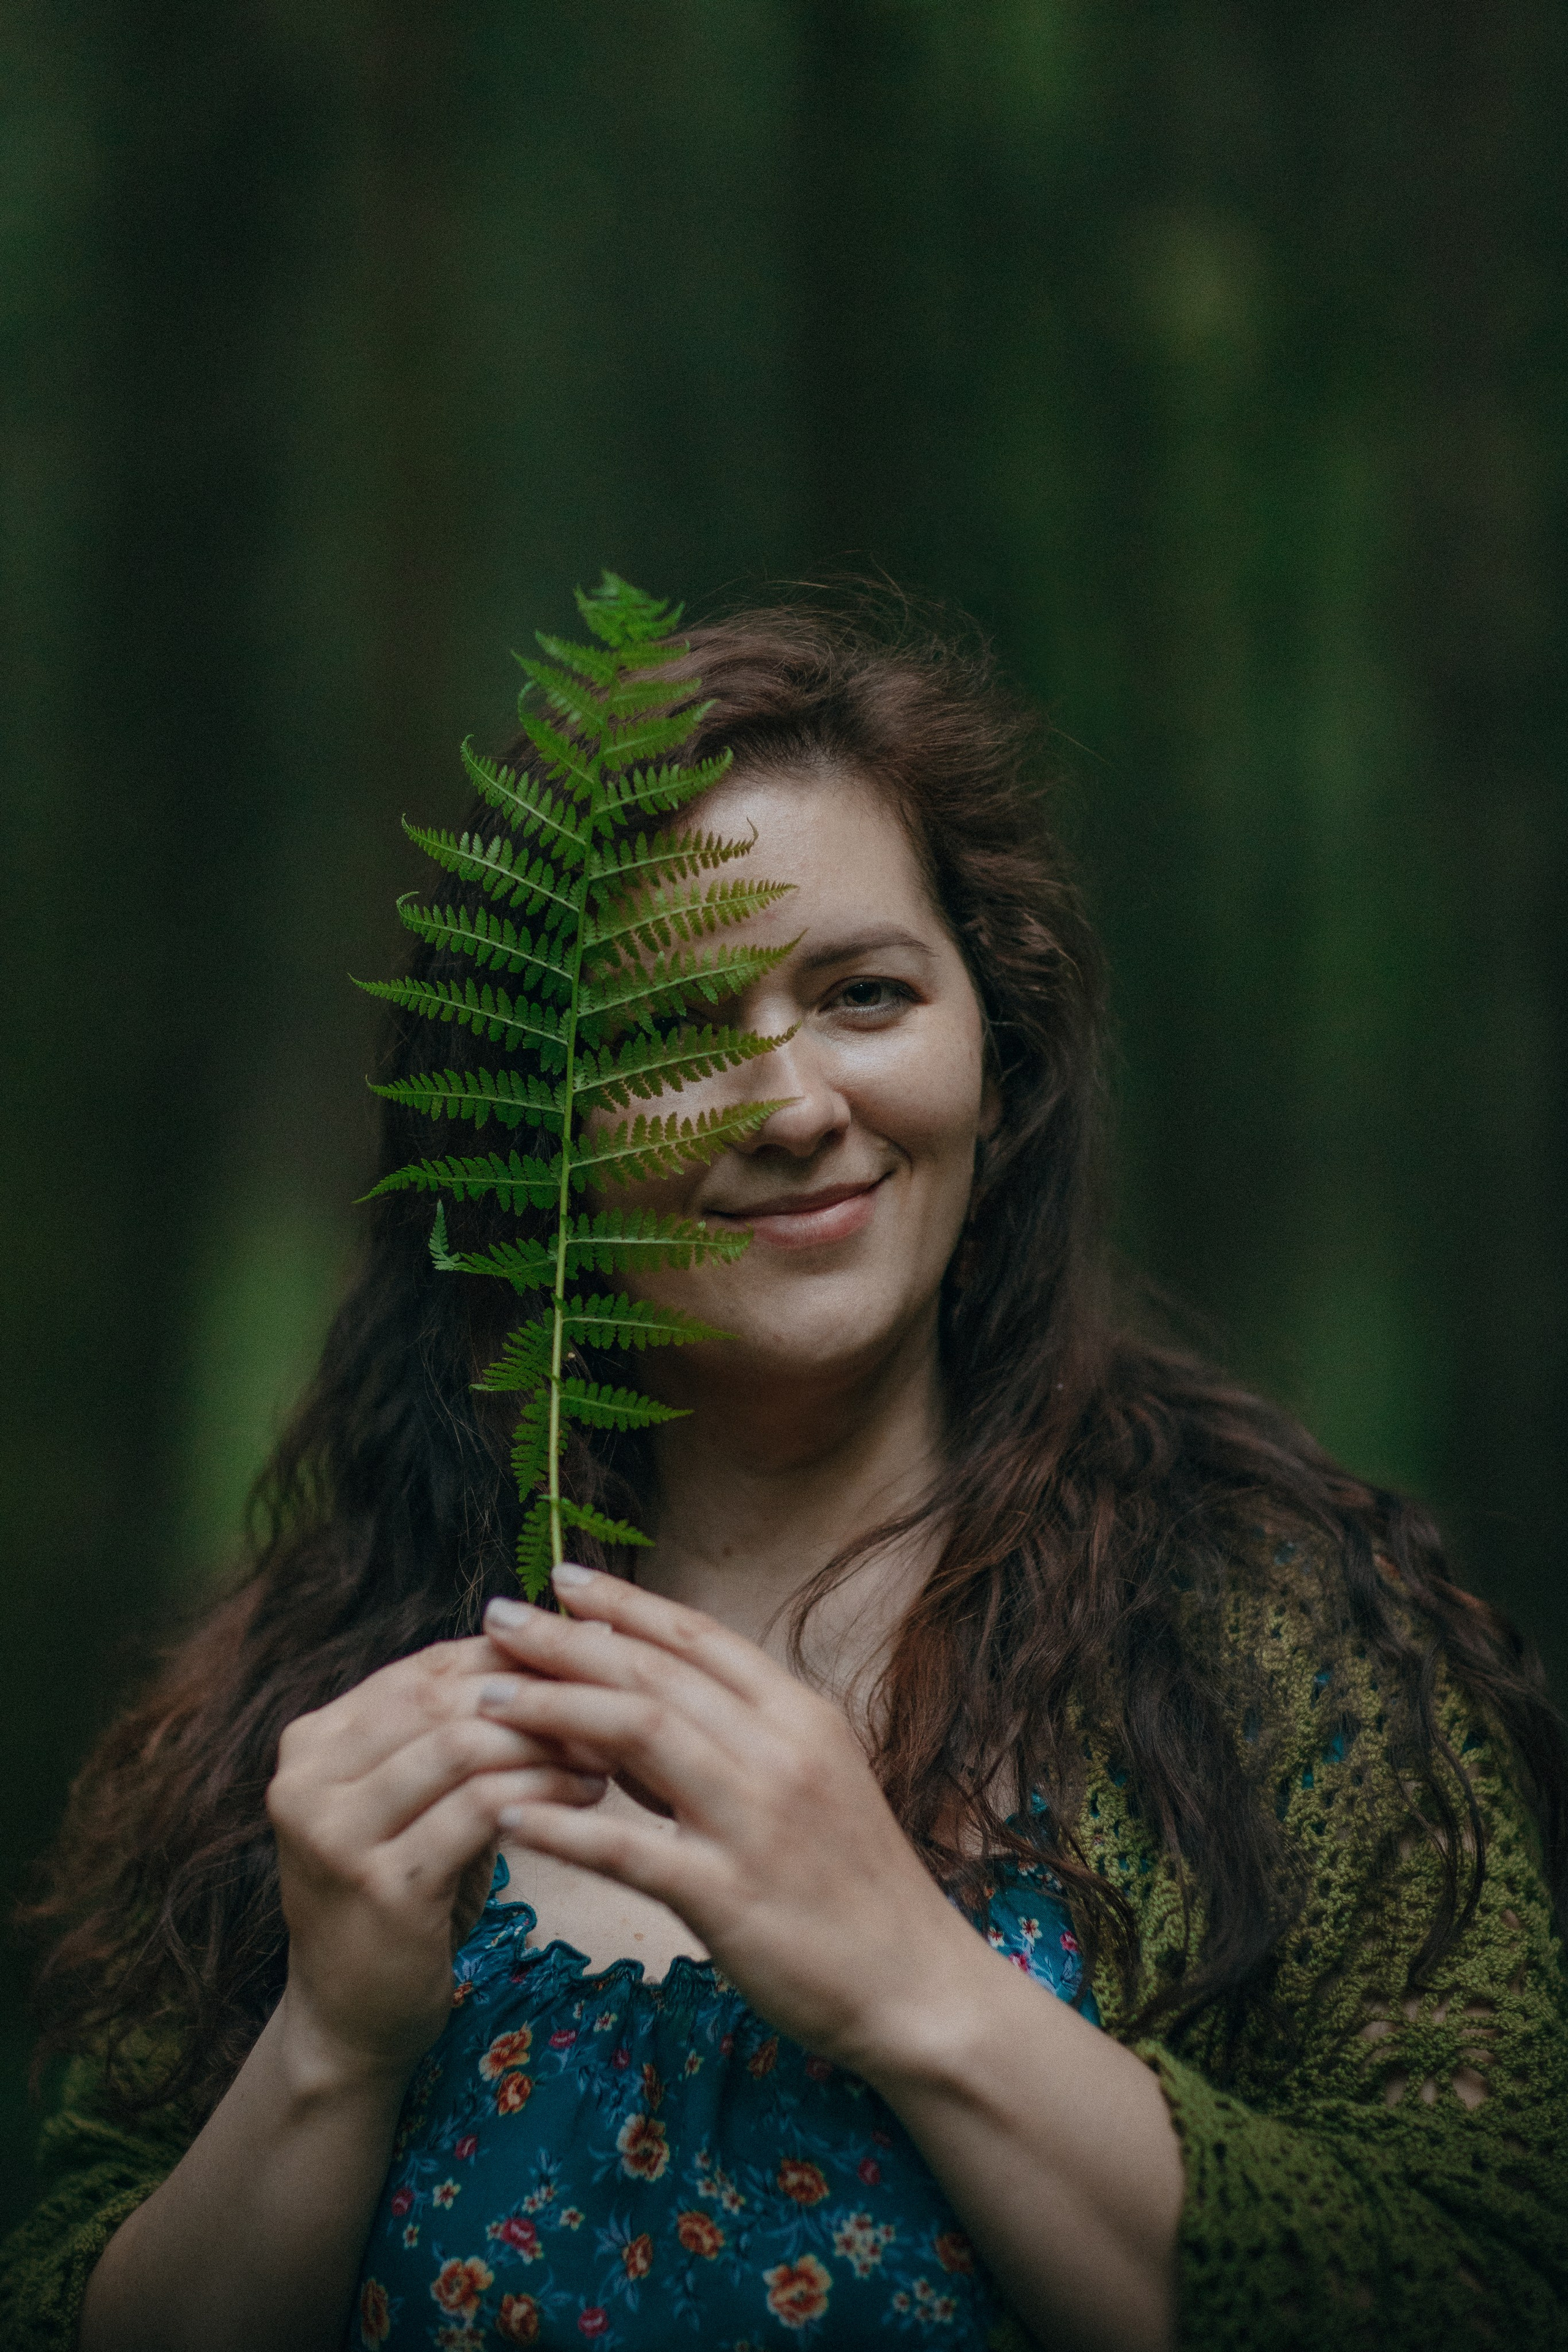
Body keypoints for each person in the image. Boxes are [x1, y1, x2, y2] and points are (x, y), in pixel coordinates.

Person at [3, 600, 1566, 2352]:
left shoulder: (1276, 1652)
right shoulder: (312, 1689)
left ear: (999, 1048)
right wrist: (327, 2046)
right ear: (538, 1136)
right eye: (675, 1030)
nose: (790, 1099)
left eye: (865, 995)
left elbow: (1487, 2284)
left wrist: (913, 1982)